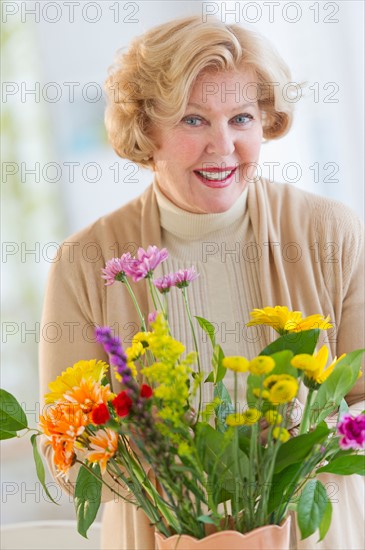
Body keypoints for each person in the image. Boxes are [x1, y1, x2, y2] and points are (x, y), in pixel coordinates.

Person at [39, 15, 364, 550]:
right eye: (193, 120)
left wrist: (311, 432)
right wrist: (162, 460)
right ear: (147, 129)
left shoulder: (332, 233)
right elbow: (68, 454)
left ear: (266, 123)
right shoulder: (86, 261)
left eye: (241, 118)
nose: (223, 146)